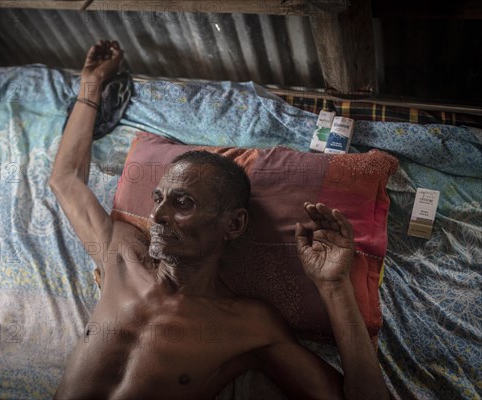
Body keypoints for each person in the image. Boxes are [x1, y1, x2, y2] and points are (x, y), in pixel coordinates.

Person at [49, 40, 389, 400]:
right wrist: (91, 83)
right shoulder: (120, 253)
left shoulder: (245, 326)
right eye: (158, 199)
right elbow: (65, 180)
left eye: (183, 202)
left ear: (234, 225)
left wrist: (335, 288)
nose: (157, 216)